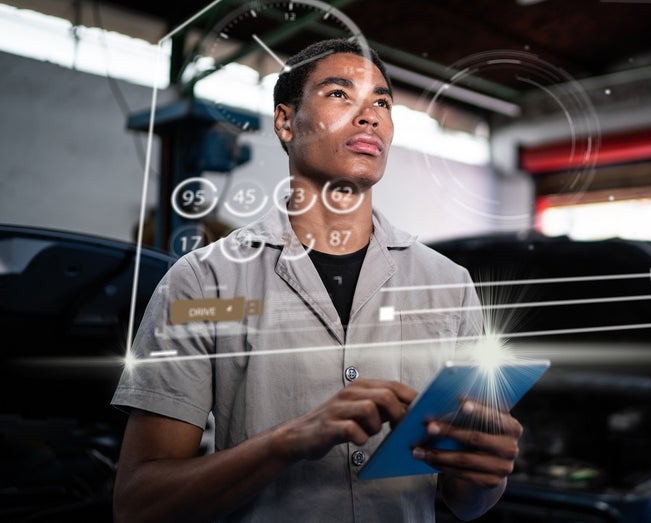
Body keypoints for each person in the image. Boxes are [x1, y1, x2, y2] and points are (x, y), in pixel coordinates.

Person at [110, 38, 522, 522]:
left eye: (382, 102)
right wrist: (288, 440)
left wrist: (484, 476)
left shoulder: (447, 284)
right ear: (285, 122)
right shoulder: (204, 283)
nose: (369, 115)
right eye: (340, 94)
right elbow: (138, 504)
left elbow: (467, 503)